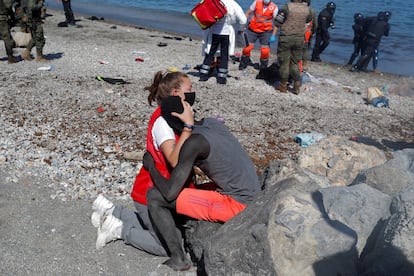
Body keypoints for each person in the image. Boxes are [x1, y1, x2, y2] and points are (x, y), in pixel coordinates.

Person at [143, 96, 261, 271]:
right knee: (189, 190)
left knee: (154, 196)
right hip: (251, 192)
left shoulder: (194, 142)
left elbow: (169, 193)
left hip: (238, 204)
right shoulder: (213, 123)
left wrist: (151, 166)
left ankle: (178, 258)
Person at [91, 70, 196, 256]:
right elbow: (173, 159)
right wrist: (189, 127)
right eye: (190, 88)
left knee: (170, 230)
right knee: (169, 246)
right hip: (150, 195)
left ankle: (111, 211)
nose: (193, 92)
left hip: (154, 191)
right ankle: (118, 230)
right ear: (175, 93)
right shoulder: (162, 122)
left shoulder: (172, 117)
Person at [198, 0, 246, 84]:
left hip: (213, 32)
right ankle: (221, 77)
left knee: (210, 53)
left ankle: (203, 75)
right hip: (226, 33)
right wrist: (241, 30)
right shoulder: (232, 3)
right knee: (224, 55)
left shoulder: (212, 1)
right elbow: (243, 19)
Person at [273, 0, 311, 95]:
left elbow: (278, 21)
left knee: (284, 63)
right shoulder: (307, 9)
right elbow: (308, 20)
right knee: (295, 63)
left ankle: (283, 86)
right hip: (299, 38)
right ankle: (296, 86)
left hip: (286, 37)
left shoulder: (287, 7)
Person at [238, 0, 278, 71]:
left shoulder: (274, 7)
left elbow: (276, 23)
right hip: (252, 29)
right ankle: (244, 63)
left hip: (266, 31)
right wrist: (242, 25)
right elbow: (248, 13)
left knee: (265, 51)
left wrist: (273, 35)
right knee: (247, 48)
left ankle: (263, 67)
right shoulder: (257, 2)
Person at [301, 0, 317, 71]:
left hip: (299, 30)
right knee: (305, 48)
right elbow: (315, 23)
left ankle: (300, 62)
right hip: (308, 31)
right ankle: (304, 64)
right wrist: (313, 31)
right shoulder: (312, 10)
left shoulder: (299, 8)